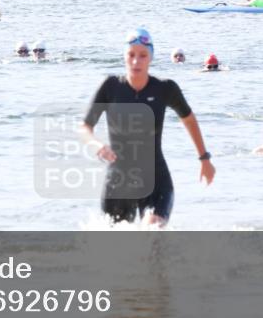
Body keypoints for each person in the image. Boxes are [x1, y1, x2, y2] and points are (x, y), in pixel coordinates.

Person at [81, 27, 215, 226]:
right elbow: (85, 126)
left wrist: (204, 158)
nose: (136, 61)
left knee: (152, 234)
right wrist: (96, 145)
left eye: (143, 55)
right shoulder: (111, 87)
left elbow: (188, 119)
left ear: (150, 57)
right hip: (118, 182)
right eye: (131, 55)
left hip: (156, 179)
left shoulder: (165, 88)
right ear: (124, 56)